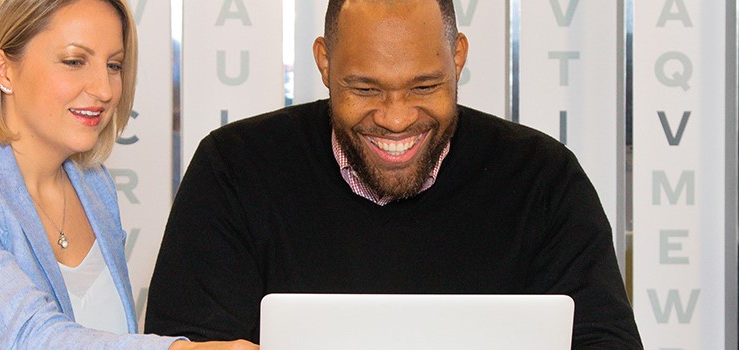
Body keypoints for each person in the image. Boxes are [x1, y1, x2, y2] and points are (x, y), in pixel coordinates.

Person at [145, 0, 642, 348]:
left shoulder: (543, 179)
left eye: (425, 86)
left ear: (459, 58)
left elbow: (604, 340)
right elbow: (187, 343)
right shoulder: (235, 170)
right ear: (323, 62)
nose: (396, 118)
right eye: (364, 89)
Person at [0, 0, 257, 349]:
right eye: (74, 61)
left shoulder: (92, 184)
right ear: (4, 70)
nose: (104, 89)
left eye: (114, 65)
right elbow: (29, 338)